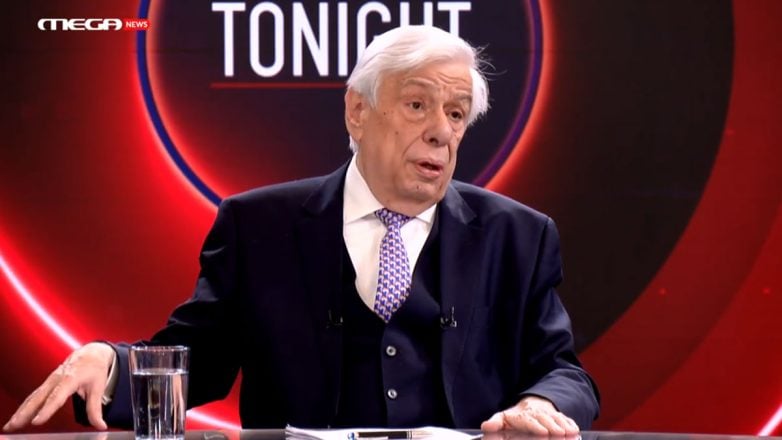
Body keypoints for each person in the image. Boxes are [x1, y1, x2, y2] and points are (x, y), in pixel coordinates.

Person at [3, 25, 599, 435]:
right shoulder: (259, 226)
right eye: (418, 106)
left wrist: (540, 404)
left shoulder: (518, 236)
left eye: (456, 113)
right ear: (357, 111)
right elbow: (201, 360)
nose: (441, 131)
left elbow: (564, 371)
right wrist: (113, 365)